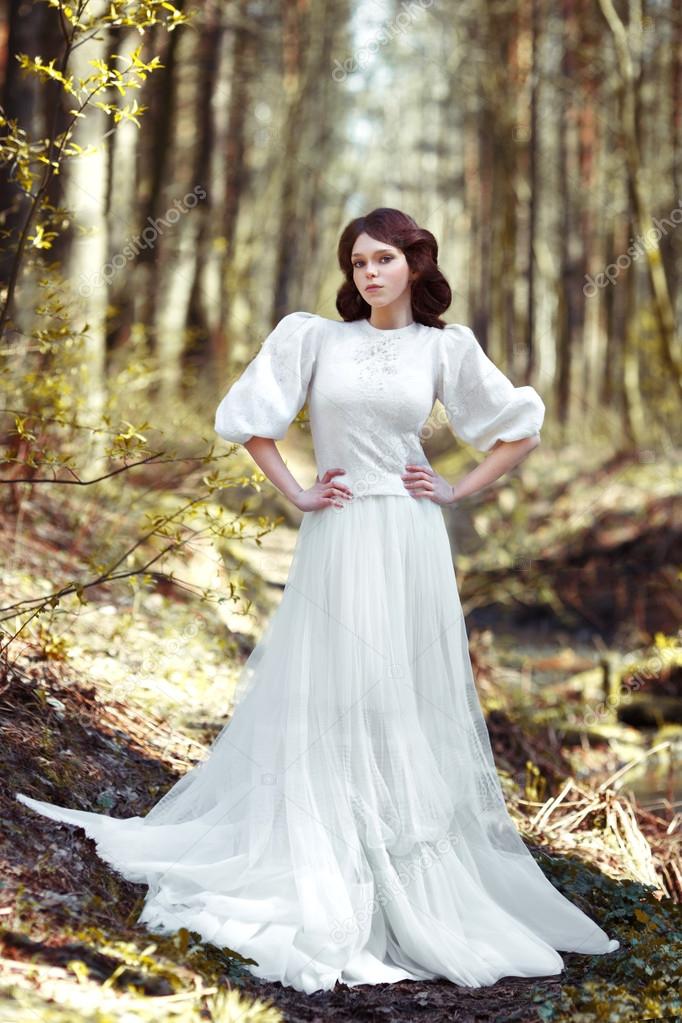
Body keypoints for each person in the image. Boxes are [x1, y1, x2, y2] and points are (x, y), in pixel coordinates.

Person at [17, 207, 619, 994]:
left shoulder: (446, 348)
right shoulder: (316, 337)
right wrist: (297, 491)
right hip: (338, 535)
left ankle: (403, 863)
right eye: (357, 262)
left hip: (407, 538)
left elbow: (518, 427)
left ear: (415, 264)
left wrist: (456, 487)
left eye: (383, 259)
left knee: (399, 699)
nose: (368, 273)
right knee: (330, 692)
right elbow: (246, 417)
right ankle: (325, 849)